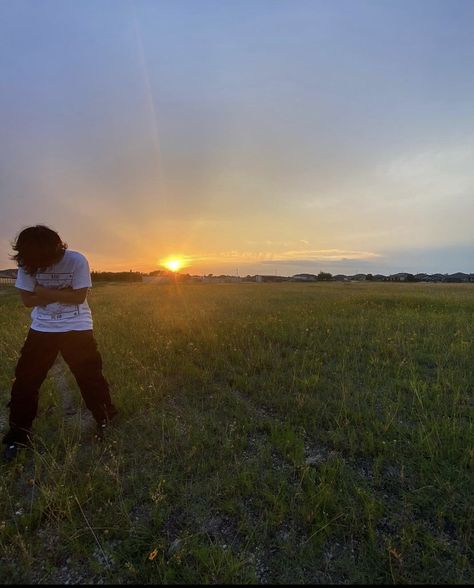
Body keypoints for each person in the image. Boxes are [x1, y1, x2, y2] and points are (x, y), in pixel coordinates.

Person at [2, 225, 117, 459]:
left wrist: (43, 291)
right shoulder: (27, 261)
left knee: (89, 377)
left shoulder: (76, 261)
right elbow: (26, 301)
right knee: (25, 381)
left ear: (57, 250)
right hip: (42, 327)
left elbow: (79, 296)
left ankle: (106, 420)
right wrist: (62, 293)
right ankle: (19, 435)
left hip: (77, 325)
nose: (39, 267)